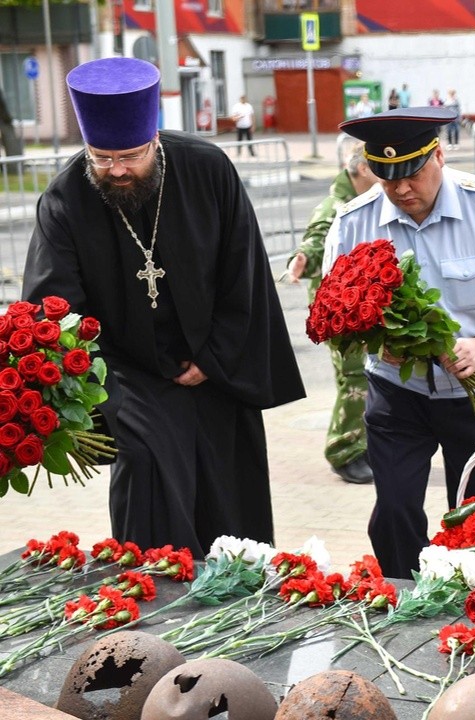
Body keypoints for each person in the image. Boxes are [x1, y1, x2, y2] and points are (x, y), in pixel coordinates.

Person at [22, 57, 305, 557]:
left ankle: (238, 594)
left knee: (229, 491)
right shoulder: (66, 198)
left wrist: (213, 359)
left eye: (131, 156)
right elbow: (56, 310)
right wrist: (103, 385)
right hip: (126, 371)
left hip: (217, 364)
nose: (118, 170)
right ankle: (154, 593)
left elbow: (245, 272)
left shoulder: (205, 168)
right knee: (145, 458)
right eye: (102, 158)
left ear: (154, 139)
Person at [325, 107, 475, 578]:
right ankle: (404, 603)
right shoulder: (353, 222)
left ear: (439, 155)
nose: (402, 189)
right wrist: (375, 345)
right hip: (396, 392)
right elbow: (335, 316)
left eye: (411, 173)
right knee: (394, 511)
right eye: (387, 179)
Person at [287, 143, 378, 485]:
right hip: (340, 310)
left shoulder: (366, 200)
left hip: (362, 305)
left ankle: (362, 442)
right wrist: (302, 260)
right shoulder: (336, 206)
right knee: (354, 379)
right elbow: (314, 242)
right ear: (363, 169)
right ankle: (344, 451)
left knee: (367, 377)